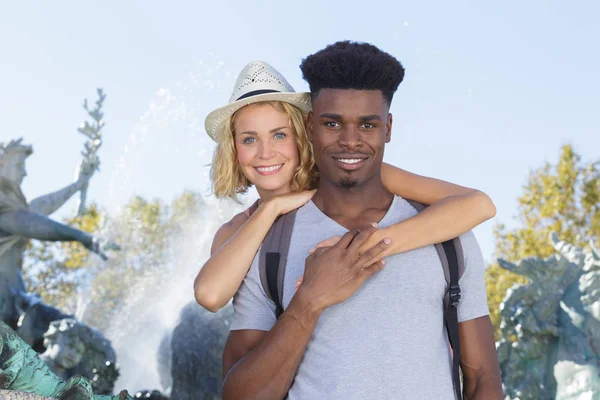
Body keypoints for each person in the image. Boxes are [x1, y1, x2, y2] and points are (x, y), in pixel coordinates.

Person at [219, 41, 502, 399]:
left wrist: (366, 248)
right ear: (310, 126)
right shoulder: (266, 246)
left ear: (388, 128)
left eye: (367, 125)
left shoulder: (448, 236)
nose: (350, 141)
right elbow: (239, 395)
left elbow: (484, 382)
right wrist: (309, 301)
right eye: (333, 123)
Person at [194, 61, 496, 313]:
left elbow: (479, 205)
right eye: (249, 139)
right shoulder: (234, 231)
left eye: (279, 135)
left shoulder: (352, 175)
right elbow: (210, 296)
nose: (265, 152)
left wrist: (364, 248)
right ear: (233, 149)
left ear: (303, 135)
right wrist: (271, 209)